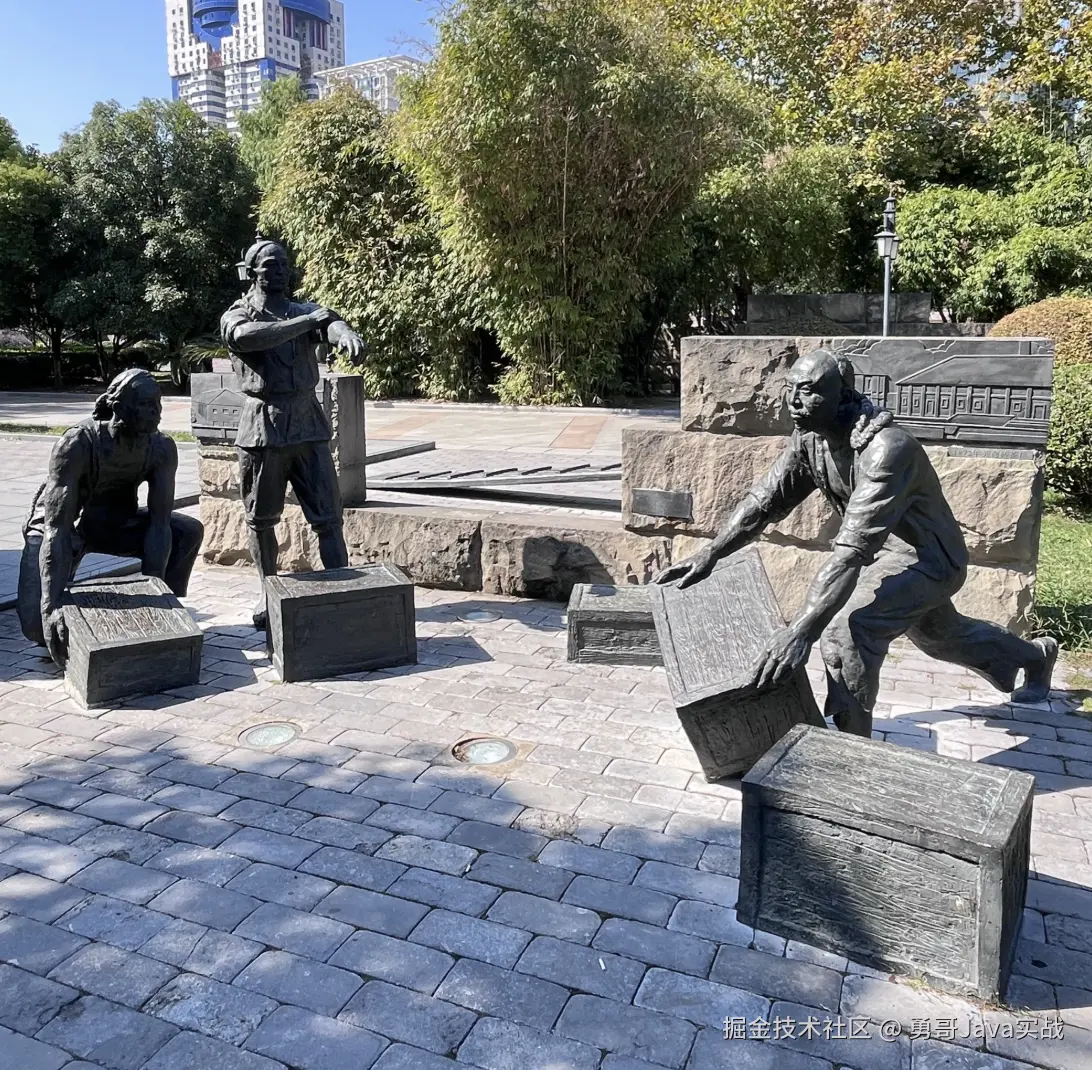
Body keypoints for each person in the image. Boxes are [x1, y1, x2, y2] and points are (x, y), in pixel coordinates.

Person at [654, 348, 1058, 738]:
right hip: (881, 554)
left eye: (809, 390)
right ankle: (1036, 656)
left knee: (847, 629)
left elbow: (850, 553)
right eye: (790, 388)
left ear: (843, 396)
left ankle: (851, 754)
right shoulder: (810, 439)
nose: (794, 401)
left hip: (928, 559)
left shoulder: (886, 450)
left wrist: (801, 631)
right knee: (944, 637)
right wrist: (710, 553)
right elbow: (765, 502)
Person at [221, 235, 366, 628]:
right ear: (251, 272)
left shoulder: (305, 310)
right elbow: (246, 337)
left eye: (284, 263)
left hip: (307, 422)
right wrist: (307, 323)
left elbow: (329, 322)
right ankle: (267, 592)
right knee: (261, 518)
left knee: (328, 515)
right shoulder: (238, 313)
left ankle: (341, 588)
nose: (280, 270)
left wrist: (344, 333)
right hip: (263, 426)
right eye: (271, 264)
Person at [17, 368, 204, 668]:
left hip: (111, 524)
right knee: (38, 627)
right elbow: (57, 530)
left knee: (186, 531)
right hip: (62, 528)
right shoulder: (77, 443)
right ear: (118, 407)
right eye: (145, 404)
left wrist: (155, 600)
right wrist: (51, 606)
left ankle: (171, 604)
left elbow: (159, 526)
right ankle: (53, 606)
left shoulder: (161, 448)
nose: (156, 412)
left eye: (158, 403)